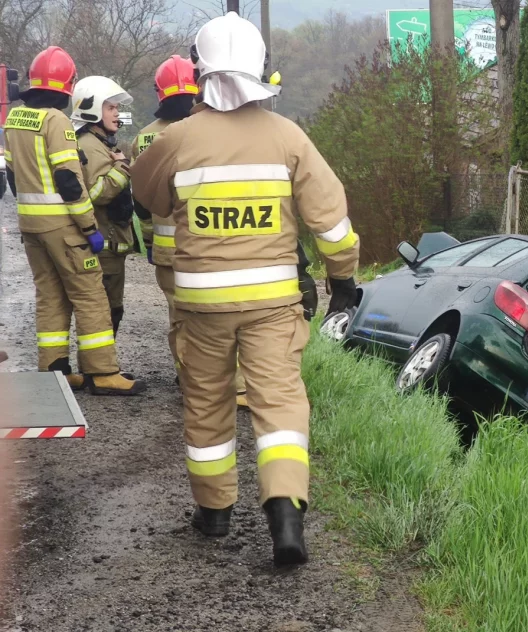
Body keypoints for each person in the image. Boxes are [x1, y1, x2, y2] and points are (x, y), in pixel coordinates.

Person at [130, 12, 358, 566]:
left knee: (207, 403)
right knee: (279, 404)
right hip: (274, 307)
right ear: (260, 69)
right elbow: (330, 221)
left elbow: (146, 196)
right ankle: (285, 516)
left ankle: (213, 514)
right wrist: (343, 280)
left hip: (201, 307)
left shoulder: (177, 139)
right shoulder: (288, 137)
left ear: (200, 70)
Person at [3, 46, 145, 395]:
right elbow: (69, 181)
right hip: (63, 227)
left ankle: (55, 369)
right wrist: (88, 227)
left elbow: (12, 174)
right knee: (91, 294)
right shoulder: (56, 121)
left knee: (50, 295)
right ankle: (103, 372)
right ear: (66, 86)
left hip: (30, 224)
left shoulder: (14, 119)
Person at [132, 54, 249, 408]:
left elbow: (141, 200)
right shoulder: (214, 129)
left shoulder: (144, 138)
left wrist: (150, 240)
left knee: (182, 321)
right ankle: (239, 388)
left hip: (169, 252)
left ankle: (191, 381)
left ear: (159, 92)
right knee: (231, 316)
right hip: (214, 245)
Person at [70, 76, 136, 336]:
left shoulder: (99, 143)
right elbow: (97, 192)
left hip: (111, 244)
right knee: (107, 310)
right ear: (93, 109)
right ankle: (100, 371)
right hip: (104, 247)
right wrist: (122, 167)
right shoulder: (90, 145)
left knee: (112, 309)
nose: (117, 114)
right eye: (111, 108)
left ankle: (104, 369)